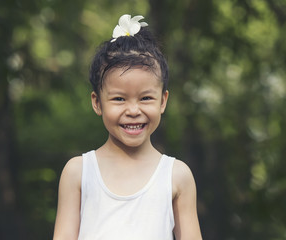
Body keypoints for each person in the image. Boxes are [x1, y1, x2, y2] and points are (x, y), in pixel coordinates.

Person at [53, 14, 202, 240]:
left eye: (145, 98)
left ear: (163, 101)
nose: (133, 110)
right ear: (97, 102)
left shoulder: (176, 176)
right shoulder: (78, 172)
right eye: (119, 99)